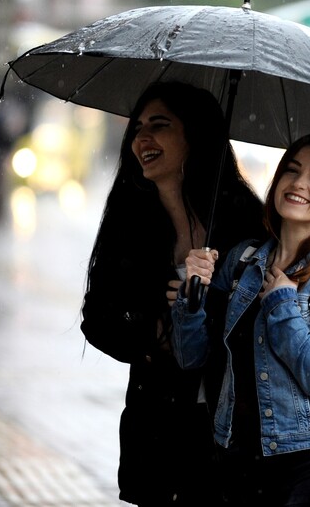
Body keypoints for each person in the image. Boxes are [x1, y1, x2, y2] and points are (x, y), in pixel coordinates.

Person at [79, 81, 265, 506]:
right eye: (138, 128)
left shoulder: (243, 219)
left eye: (159, 125)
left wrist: (211, 310)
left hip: (230, 431)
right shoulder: (130, 221)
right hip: (158, 429)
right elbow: (97, 318)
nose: (142, 139)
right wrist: (153, 337)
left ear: (195, 134)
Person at [171, 131, 310, 507]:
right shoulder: (242, 260)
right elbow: (191, 357)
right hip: (241, 457)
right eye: (292, 170)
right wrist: (191, 296)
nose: (298, 182)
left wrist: (281, 303)